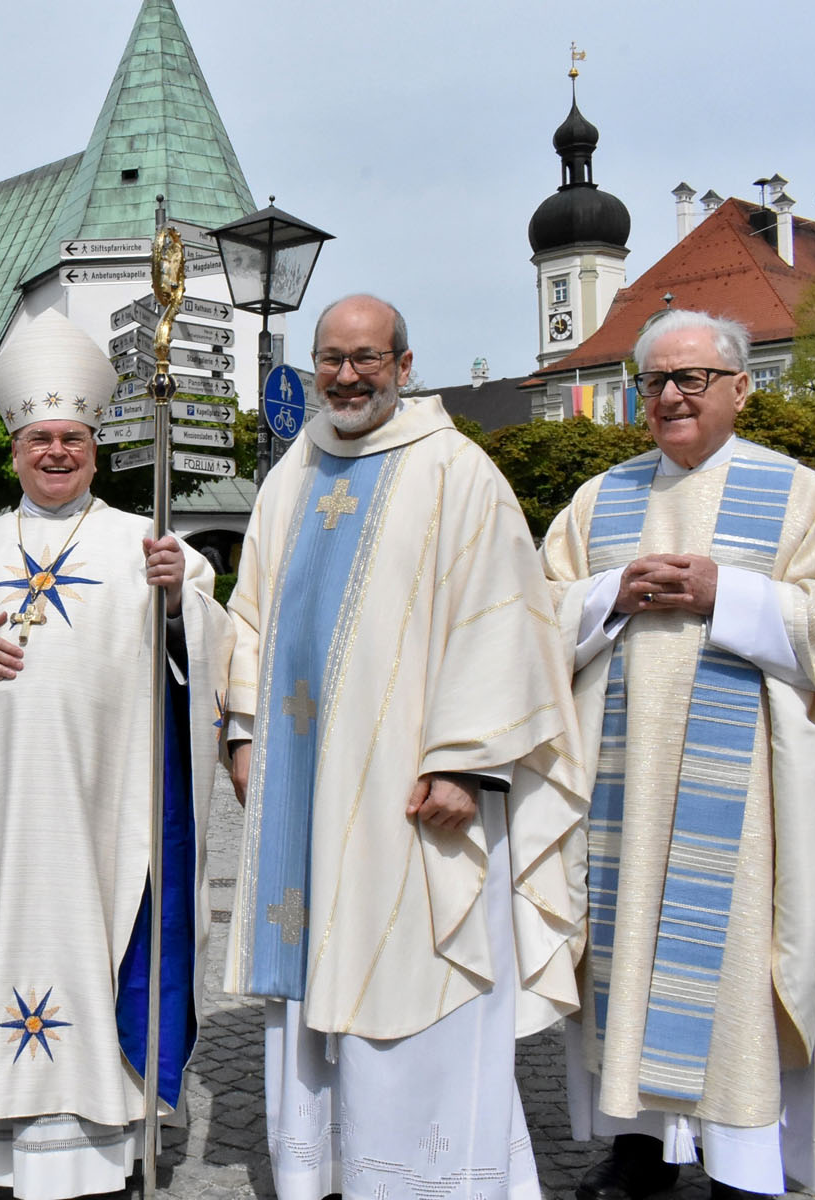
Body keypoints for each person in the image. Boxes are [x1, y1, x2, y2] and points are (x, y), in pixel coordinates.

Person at [225, 294, 587, 1200]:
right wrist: (241, 731)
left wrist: (468, 763)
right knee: (314, 968)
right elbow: (250, 616)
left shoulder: (456, 473)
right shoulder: (289, 476)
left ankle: (432, 1179)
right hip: (304, 785)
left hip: (416, 794)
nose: (346, 376)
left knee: (419, 968)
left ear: (404, 364)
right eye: (331, 359)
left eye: (366, 358)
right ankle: (329, 1168)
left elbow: (504, 624)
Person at [0, 310, 235, 1199]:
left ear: (94, 448)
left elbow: (211, 648)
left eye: (71, 438)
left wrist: (176, 605)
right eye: (39, 438)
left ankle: (108, 1138)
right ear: (14, 450)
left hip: (102, 809)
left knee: (104, 940)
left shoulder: (147, 546)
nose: (55, 452)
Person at [541, 309, 815, 1200]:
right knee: (619, 964)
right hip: (617, 797)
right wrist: (608, 593)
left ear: (740, 388)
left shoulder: (799, 494)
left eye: (690, 378)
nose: (668, 395)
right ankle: (636, 1153)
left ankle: (747, 1168)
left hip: (748, 808)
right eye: (653, 380)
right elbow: (530, 620)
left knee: (735, 976)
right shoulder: (600, 498)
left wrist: (727, 593)